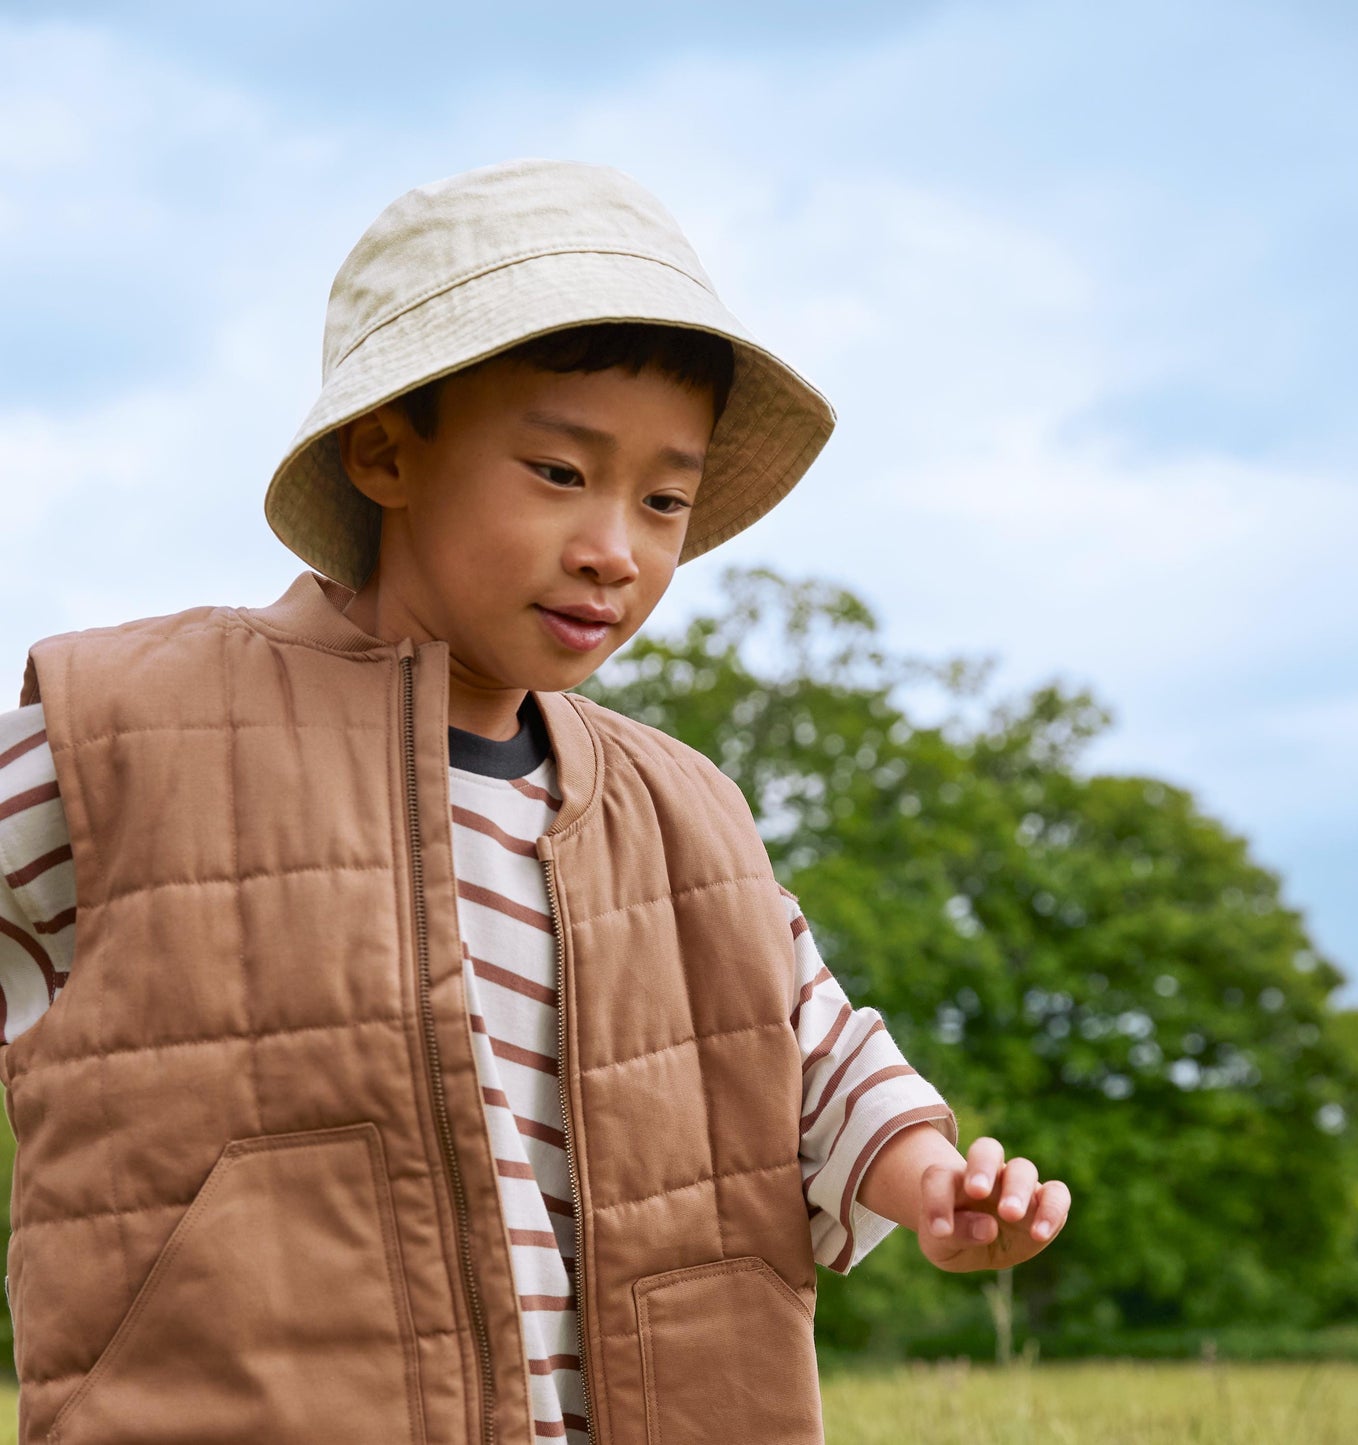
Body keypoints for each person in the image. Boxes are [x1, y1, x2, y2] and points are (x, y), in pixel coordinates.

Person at [0, 159, 1070, 1445]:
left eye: (664, 500)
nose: (615, 548)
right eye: (560, 471)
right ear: (386, 450)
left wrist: (930, 1178)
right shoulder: (131, 732)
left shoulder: (686, 815)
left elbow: (808, 1048)